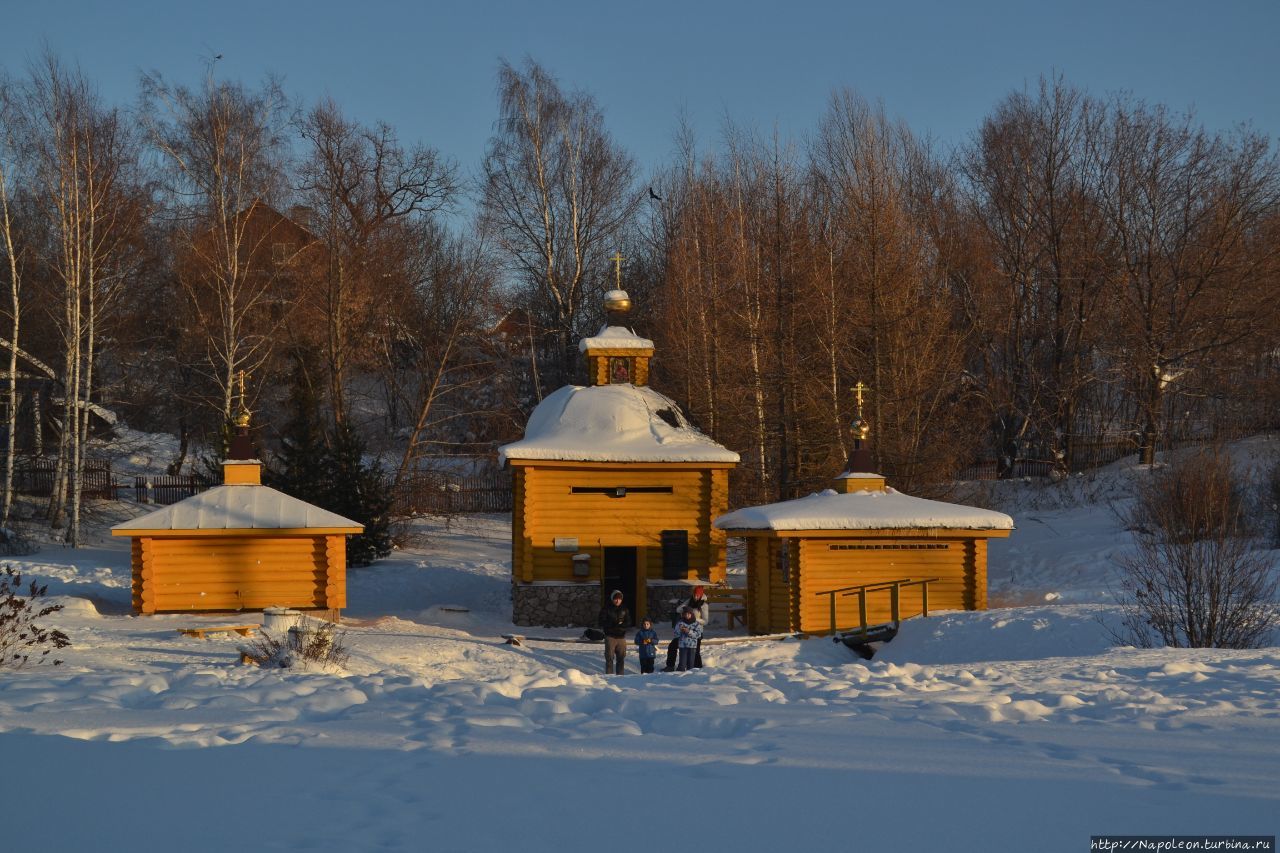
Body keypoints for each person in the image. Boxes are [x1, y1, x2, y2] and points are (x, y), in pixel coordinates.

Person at [663, 585, 709, 671]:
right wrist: (686, 607)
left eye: (698, 595)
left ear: (701, 595)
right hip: (683, 630)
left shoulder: (704, 605)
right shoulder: (689, 601)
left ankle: (698, 669)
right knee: (672, 646)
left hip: (696, 631)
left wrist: (695, 619)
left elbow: (705, 621)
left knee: (695, 651)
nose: (695, 597)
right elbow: (678, 609)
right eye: (694, 595)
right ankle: (670, 666)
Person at [598, 589, 630, 675]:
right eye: (616, 598)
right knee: (609, 658)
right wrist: (613, 624)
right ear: (612, 599)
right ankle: (609, 676)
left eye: (619, 599)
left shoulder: (624, 609)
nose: (617, 600)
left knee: (621, 658)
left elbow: (628, 622)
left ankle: (621, 676)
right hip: (610, 637)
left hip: (621, 637)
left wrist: (621, 627)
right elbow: (601, 621)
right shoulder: (606, 609)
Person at [673, 607, 703, 672]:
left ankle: (690, 678)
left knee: (691, 664)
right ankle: (678, 676)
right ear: (683, 614)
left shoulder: (696, 624)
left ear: (692, 614)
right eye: (685, 614)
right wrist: (680, 630)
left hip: (692, 646)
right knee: (682, 664)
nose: (687, 615)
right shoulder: (680, 623)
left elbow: (698, 635)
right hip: (682, 646)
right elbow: (675, 634)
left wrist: (689, 631)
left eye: (688, 614)